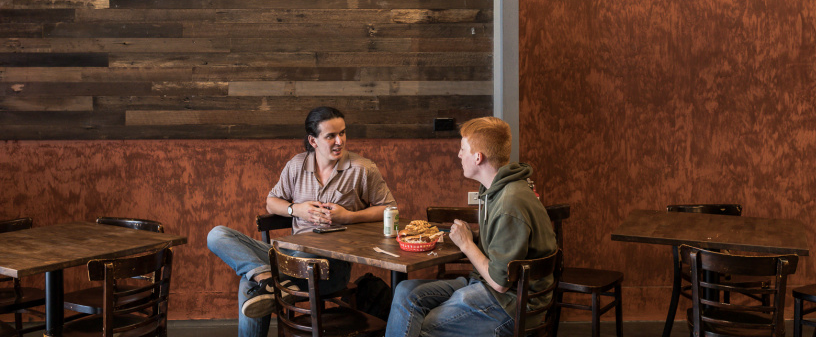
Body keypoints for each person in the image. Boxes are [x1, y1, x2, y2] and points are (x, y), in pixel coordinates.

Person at [208, 106, 396, 337]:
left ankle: (266, 282)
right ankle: (266, 278)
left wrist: (349, 216)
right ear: (313, 140)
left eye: (342, 133)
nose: (340, 141)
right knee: (217, 234)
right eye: (330, 136)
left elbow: (390, 209)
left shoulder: (362, 169)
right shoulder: (297, 164)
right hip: (288, 255)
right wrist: (297, 209)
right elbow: (271, 203)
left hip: (329, 267)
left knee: (249, 284)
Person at [385, 117, 557, 337]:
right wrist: (472, 235)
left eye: (462, 149)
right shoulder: (496, 189)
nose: (459, 155)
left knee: (419, 327)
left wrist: (466, 244)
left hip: (512, 305)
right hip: (487, 286)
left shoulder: (509, 203)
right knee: (406, 291)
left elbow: (500, 283)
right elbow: (502, 244)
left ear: (478, 157)